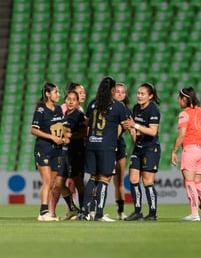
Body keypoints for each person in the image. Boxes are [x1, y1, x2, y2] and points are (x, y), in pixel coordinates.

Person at [78, 76, 129, 221]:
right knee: (104, 179)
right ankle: (99, 213)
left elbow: (87, 122)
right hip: (106, 147)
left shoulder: (93, 103)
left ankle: (84, 212)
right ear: (113, 90)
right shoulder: (118, 106)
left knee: (93, 177)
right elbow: (125, 124)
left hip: (91, 144)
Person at [172, 87, 201, 221]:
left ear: (184, 99)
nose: (178, 101)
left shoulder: (184, 114)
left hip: (190, 150)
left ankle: (194, 213)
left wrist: (174, 151)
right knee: (197, 183)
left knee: (189, 182)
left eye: (179, 98)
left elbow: (182, 134)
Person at [124, 83, 161, 221]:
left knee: (147, 181)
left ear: (150, 96)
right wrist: (133, 131)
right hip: (138, 148)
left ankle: (152, 213)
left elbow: (153, 131)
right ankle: (137, 211)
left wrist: (136, 125)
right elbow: (133, 126)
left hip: (150, 149)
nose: (139, 96)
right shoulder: (136, 108)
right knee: (133, 179)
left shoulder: (153, 110)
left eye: (142, 94)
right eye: (138, 93)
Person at [50, 82, 87, 218]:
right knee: (58, 183)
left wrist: (71, 135)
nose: (71, 102)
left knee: (77, 182)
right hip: (65, 152)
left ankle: (84, 210)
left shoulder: (78, 115)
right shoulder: (65, 114)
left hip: (76, 153)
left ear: (77, 102)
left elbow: (84, 132)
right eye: (68, 99)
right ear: (65, 100)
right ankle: (72, 208)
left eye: (73, 100)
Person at [31, 82, 66, 221]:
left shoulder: (58, 110)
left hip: (56, 150)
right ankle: (43, 212)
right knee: (46, 181)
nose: (58, 94)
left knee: (52, 182)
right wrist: (52, 137)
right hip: (43, 148)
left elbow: (60, 128)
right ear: (47, 94)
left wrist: (63, 137)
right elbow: (33, 130)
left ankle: (45, 212)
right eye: (56, 92)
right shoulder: (40, 110)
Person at [113, 83, 133, 220]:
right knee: (100, 179)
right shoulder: (106, 108)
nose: (120, 94)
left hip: (119, 146)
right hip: (107, 147)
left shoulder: (127, 110)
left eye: (122, 92)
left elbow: (132, 128)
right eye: (117, 92)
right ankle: (93, 210)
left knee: (119, 181)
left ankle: (120, 211)